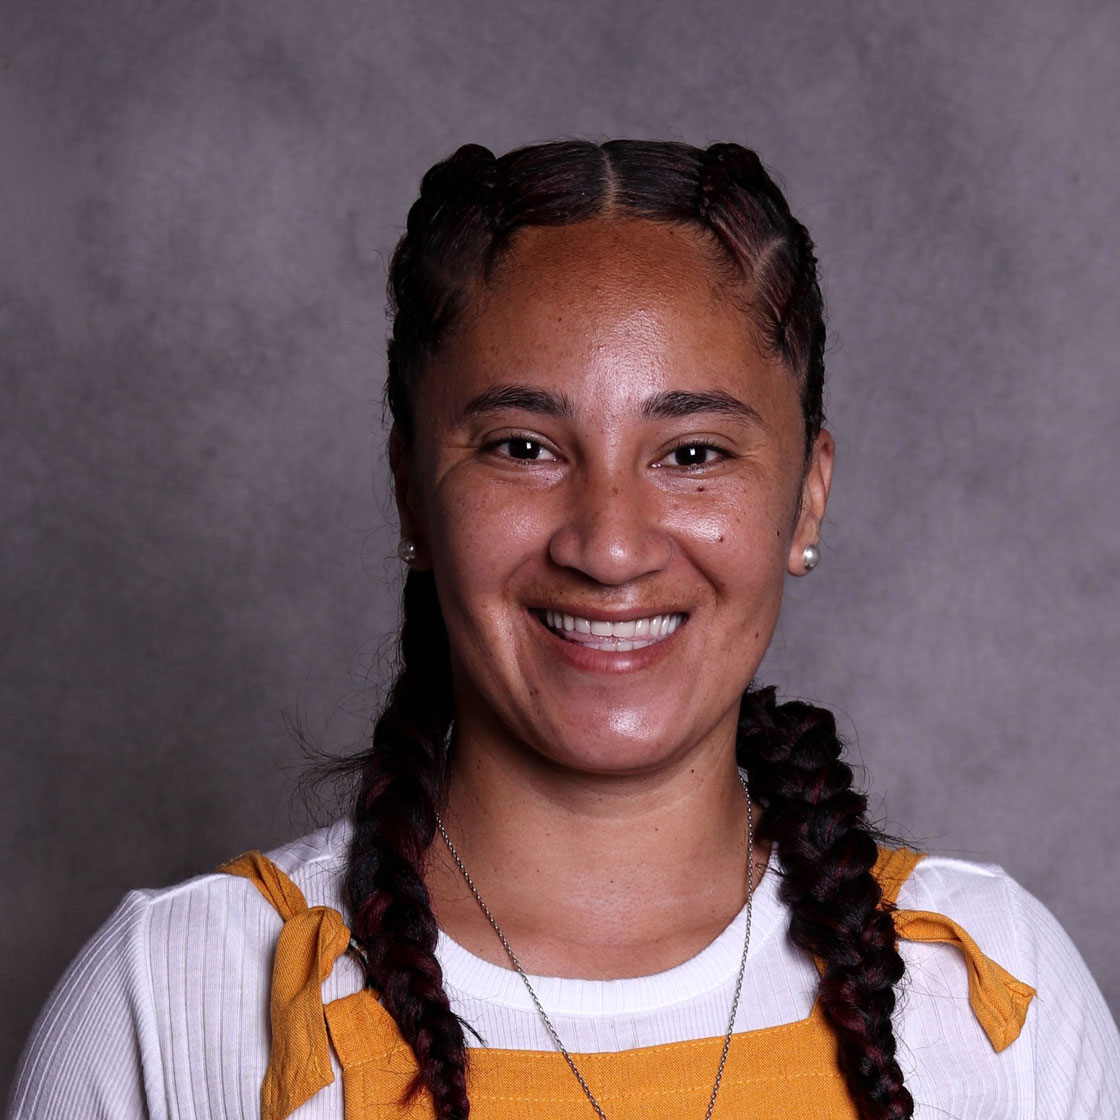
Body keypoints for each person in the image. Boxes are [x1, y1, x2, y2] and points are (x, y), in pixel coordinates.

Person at [7, 139, 1120, 1120]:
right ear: (410, 490)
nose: (610, 544)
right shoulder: (176, 995)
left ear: (807, 497)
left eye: (692, 453)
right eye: (522, 448)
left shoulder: (991, 997)